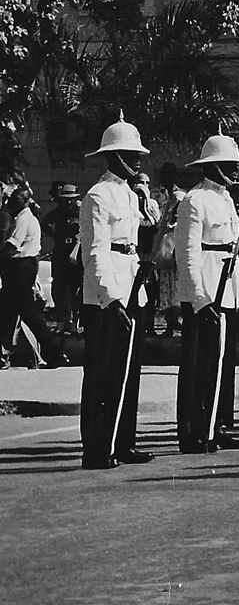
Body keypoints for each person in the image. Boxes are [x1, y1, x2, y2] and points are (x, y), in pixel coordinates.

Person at [78, 115, 154, 469]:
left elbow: (137, 239)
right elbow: (94, 253)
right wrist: (111, 299)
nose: (137, 160)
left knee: (128, 371)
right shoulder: (98, 196)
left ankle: (123, 442)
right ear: (113, 156)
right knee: (102, 373)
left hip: (131, 286)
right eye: (130, 154)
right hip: (106, 295)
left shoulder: (129, 193)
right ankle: (97, 448)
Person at [175, 131, 239, 454]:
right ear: (212, 166)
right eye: (229, 164)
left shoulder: (226, 200)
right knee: (198, 364)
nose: (235, 170)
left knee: (221, 363)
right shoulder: (195, 200)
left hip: (227, 288)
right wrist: (199, 297)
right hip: (206, 291)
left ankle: (216, 426)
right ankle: (194, 431)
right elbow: (187, 253)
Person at [0, 183, 69, 369]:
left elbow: (12, 246)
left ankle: (55, 354)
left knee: (30, 315)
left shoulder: (24, 219)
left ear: (23, 201)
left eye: (15, 199)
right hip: (20, 268)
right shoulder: (22, 218)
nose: (11, 203)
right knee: (6, 312)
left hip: (20, 268)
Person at [151, 164, 185, 338]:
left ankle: (178, 321)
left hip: (176, 243)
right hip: (164, 244)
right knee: (166, 286)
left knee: (177, 286)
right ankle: (170, 323)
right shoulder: (160, 194)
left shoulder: (180, 196)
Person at [47, 183, 83, 334]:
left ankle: (75, 321)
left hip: (76, 252)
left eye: (71, 199)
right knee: (59, 288)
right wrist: (54, 236)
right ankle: (62, 320)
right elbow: (45, 223)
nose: (69, 202)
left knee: (76, 288)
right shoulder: (57, 213)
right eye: (66, 199)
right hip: (61, 253)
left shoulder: (81, 212)